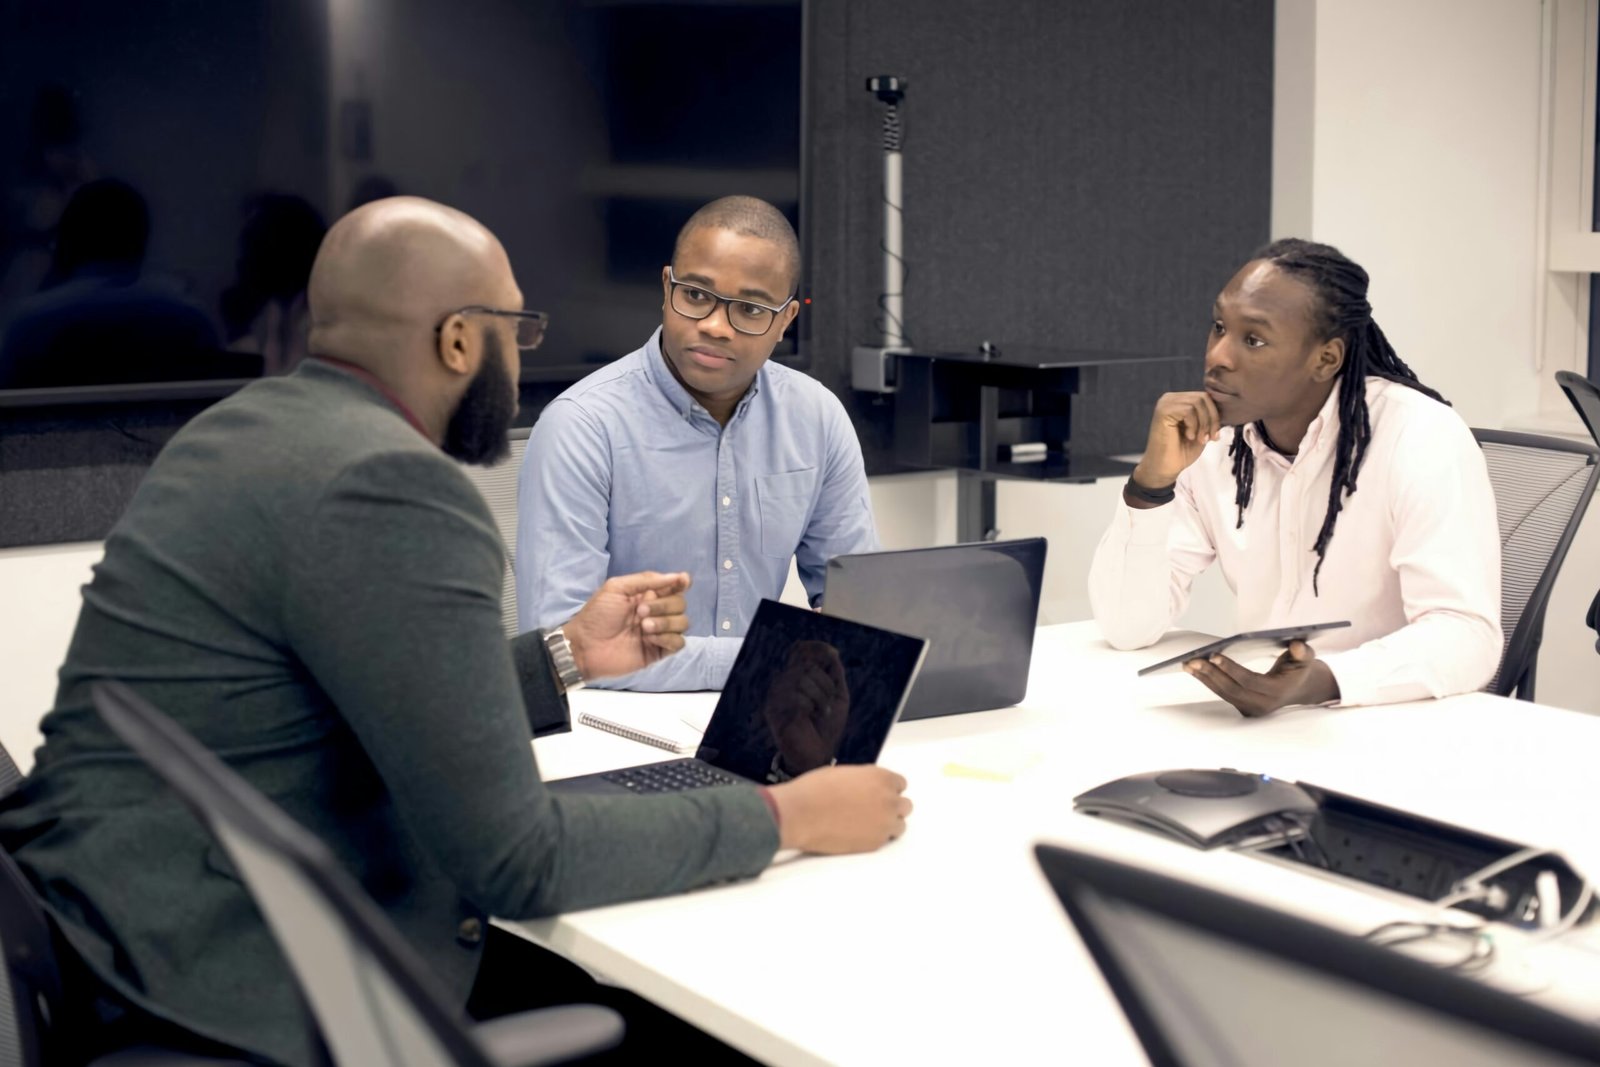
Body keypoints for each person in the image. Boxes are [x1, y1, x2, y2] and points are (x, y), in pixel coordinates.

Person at [0, 196, 912, 1066]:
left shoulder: (234, 429)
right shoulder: (397, 487)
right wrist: (783, 815)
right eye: (517, 334)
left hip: (100, 913)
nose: (518, 367)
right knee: (704, 1028)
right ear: (458, 340)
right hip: (218, 965)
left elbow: (365, 686)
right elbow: (519, 858)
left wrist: (568, 654)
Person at [1088, 238, 1501, 716]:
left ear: (1325, 359)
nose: (1218, 356)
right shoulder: (1215, 445)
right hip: (1269, 729)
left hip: (1390, 721)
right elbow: (1127, 628)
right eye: (1219, 327)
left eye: (1253, 339)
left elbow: (1466, 635)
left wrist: (1325, 681)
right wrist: (1150, 485)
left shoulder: (1419, 436)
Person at [517, 195, 879, 692]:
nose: (714, 326)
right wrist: (767, 660)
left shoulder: (817, 418)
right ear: (667, 289)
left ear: (786, 321)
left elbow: (858, 609)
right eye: (695, 295)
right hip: (617, 724)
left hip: (766, 714)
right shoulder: (582, 427)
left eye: (750, 309)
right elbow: (560, 645)